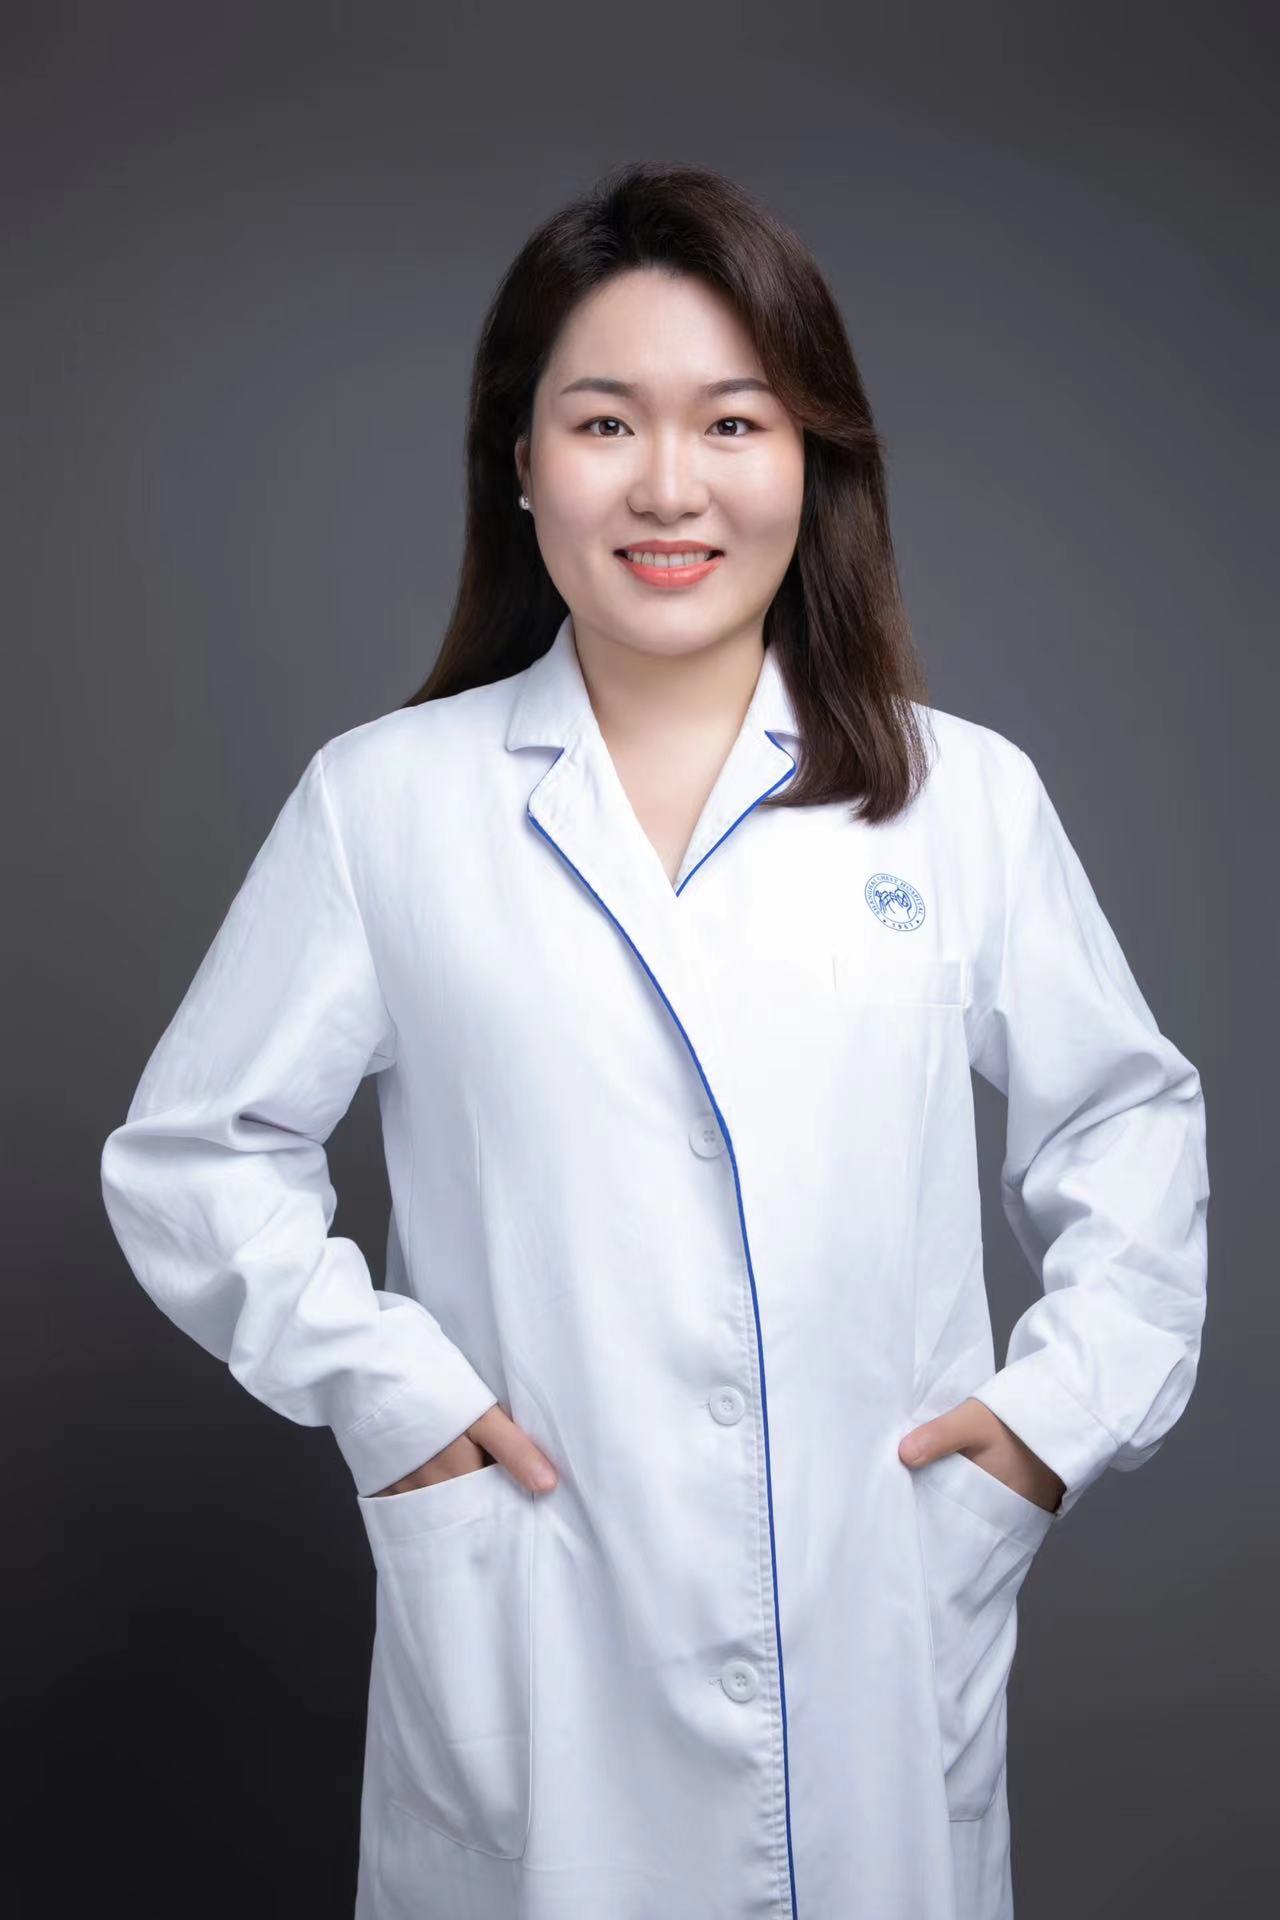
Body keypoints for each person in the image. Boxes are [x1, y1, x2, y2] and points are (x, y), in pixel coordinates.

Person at [99, 160, 1210, 1920]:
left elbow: (1128, 1129)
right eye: (606, 421)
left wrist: (1041, 1432)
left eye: (734, 422)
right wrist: (390, 1391)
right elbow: (195, 1155)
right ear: (521, 460)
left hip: (875, 1626)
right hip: (540, 1636)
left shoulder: (965, 803)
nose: (670, 486)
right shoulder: (387, 806)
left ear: (812, 458)